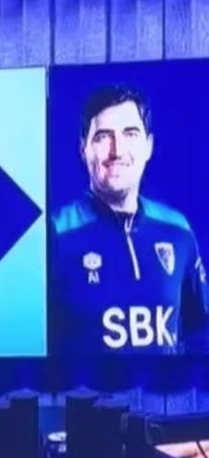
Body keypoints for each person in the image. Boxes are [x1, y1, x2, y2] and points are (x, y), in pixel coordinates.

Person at [49, 85, 208, 355]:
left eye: (130, 134)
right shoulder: (53, 235)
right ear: (83, 149)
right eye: (103, 137)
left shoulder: (177, 230)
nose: (117, 150)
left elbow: (202, 331)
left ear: (148, 146)